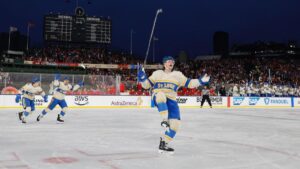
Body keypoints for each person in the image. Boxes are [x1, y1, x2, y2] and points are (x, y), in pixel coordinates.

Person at [137, 56, 210, 154]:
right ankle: (164, 120)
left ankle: (164, 144)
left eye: (172, 61)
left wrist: (200, 81)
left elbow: (190, 83)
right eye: (168, 61)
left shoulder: (178, 75)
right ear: (164, 64)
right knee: (161, 95)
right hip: (158, 96)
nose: (171, 63)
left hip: (172, 100)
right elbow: (146, 85)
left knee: (175, 125)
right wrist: (142, 77)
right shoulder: (157, 73)